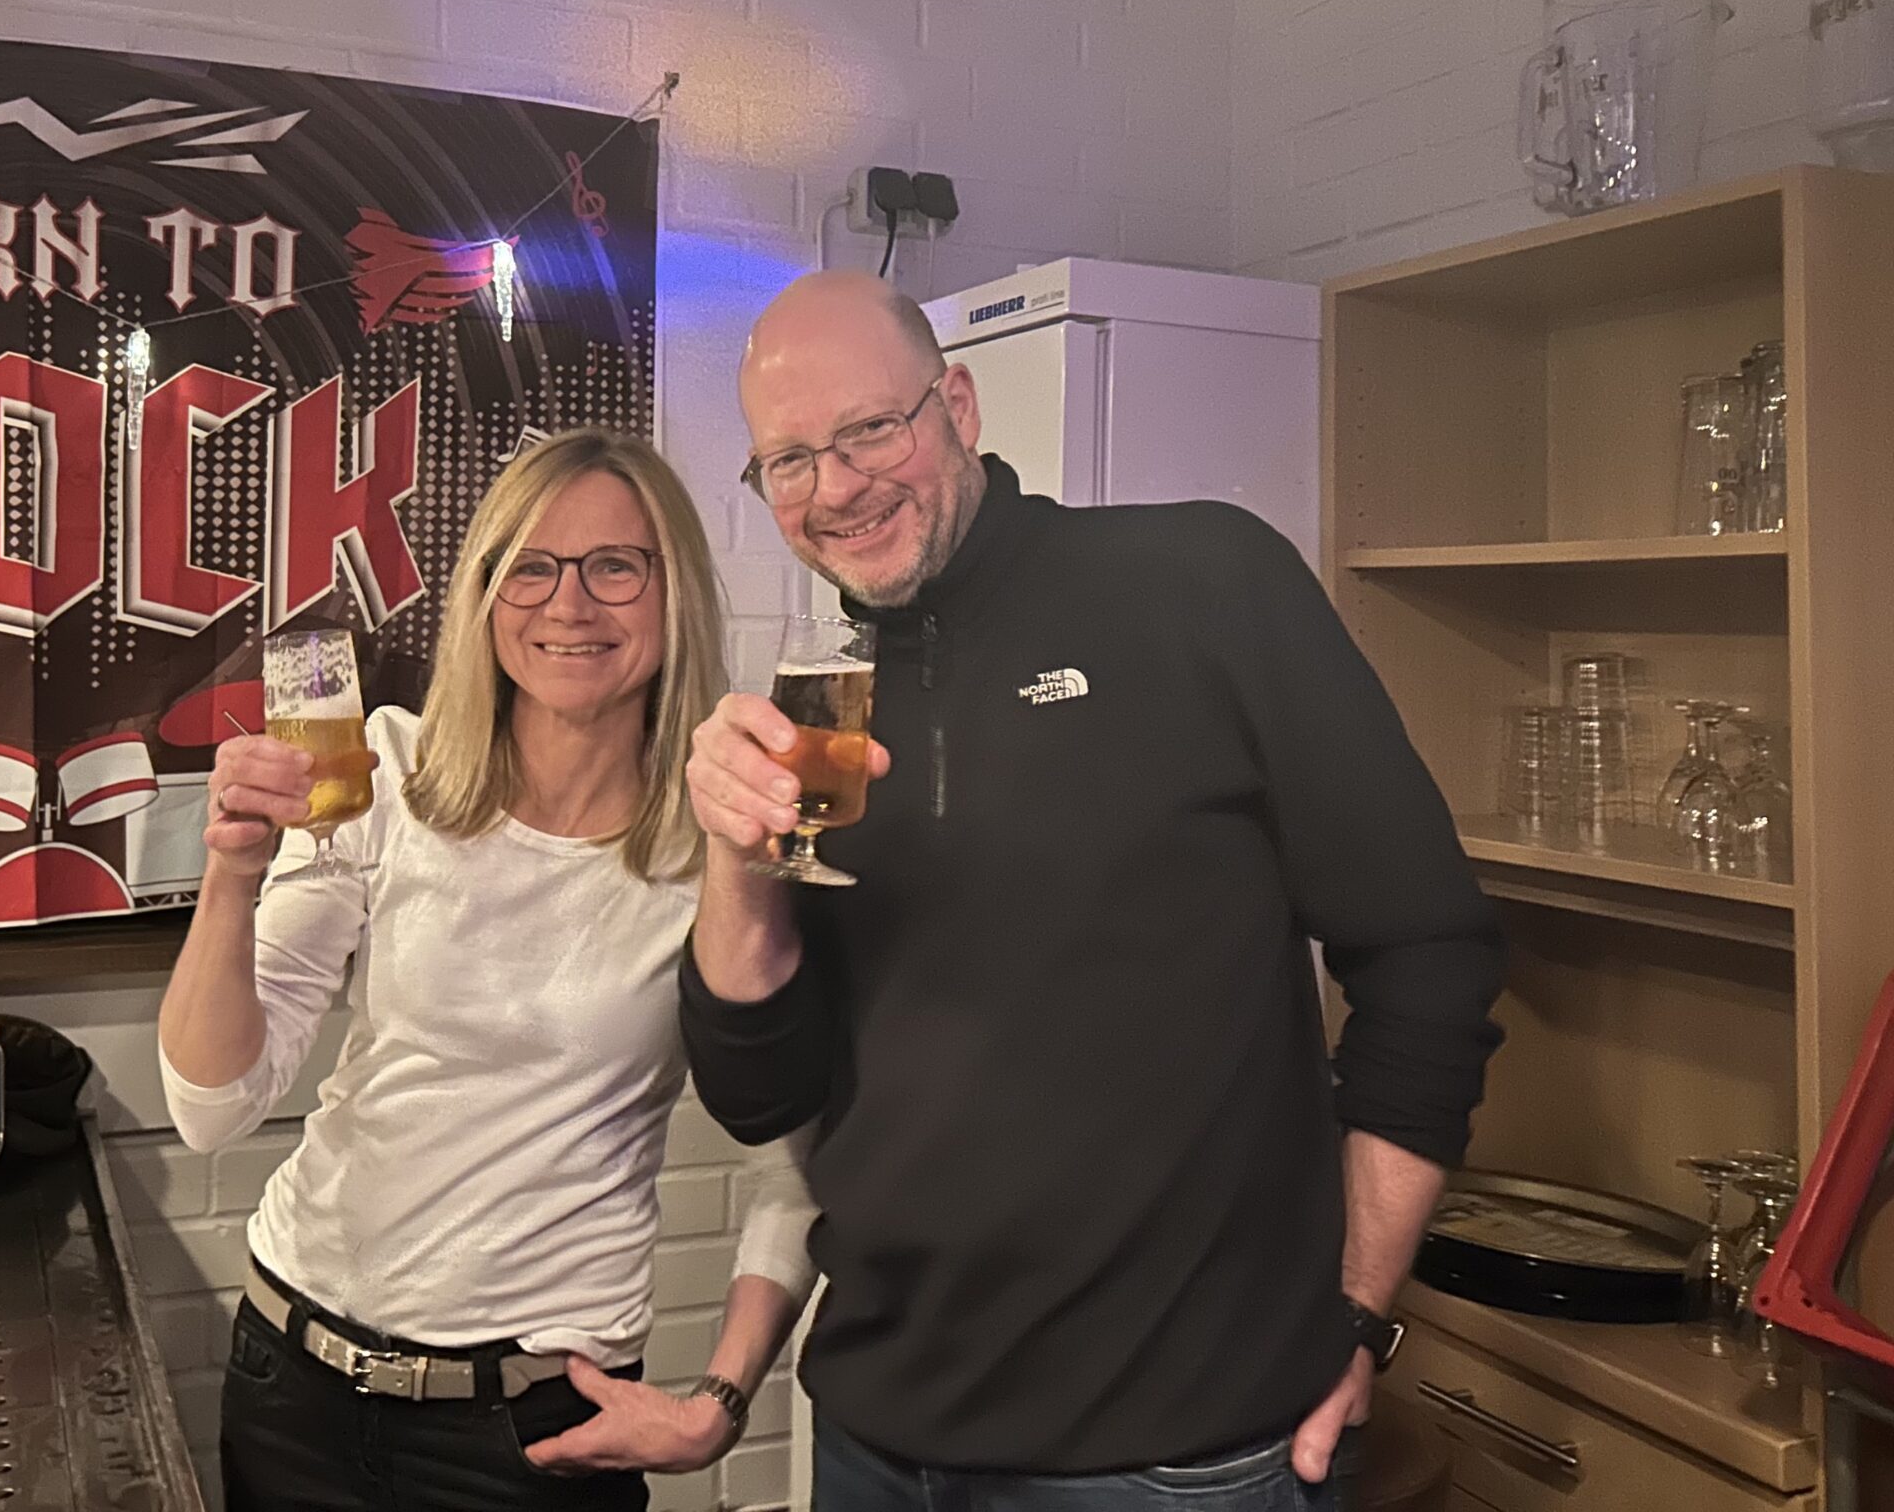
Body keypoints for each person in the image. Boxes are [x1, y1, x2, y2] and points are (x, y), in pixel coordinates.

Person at [679, 272, 1506, 1512]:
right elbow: (760, 1095)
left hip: (1174, 1458)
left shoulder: (1202, 582)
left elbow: (1430, 953)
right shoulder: (825, 706)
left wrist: (1354, 1308)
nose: (834, 488)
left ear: (958, 406)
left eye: (869, 431)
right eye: (787, 460)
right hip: (871, 1432)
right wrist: (731, 858)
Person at [161, 429, 814, 1512]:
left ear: (676, 595)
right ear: (483, 592)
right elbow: (210, 1105)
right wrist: (231, 872)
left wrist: (720, 1402)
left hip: (533, 1432)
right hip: (292, 1383)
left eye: (616, 566)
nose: (569, 604)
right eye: (530, 567)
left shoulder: (724, 837)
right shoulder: (384, 769)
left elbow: (802, 1156)